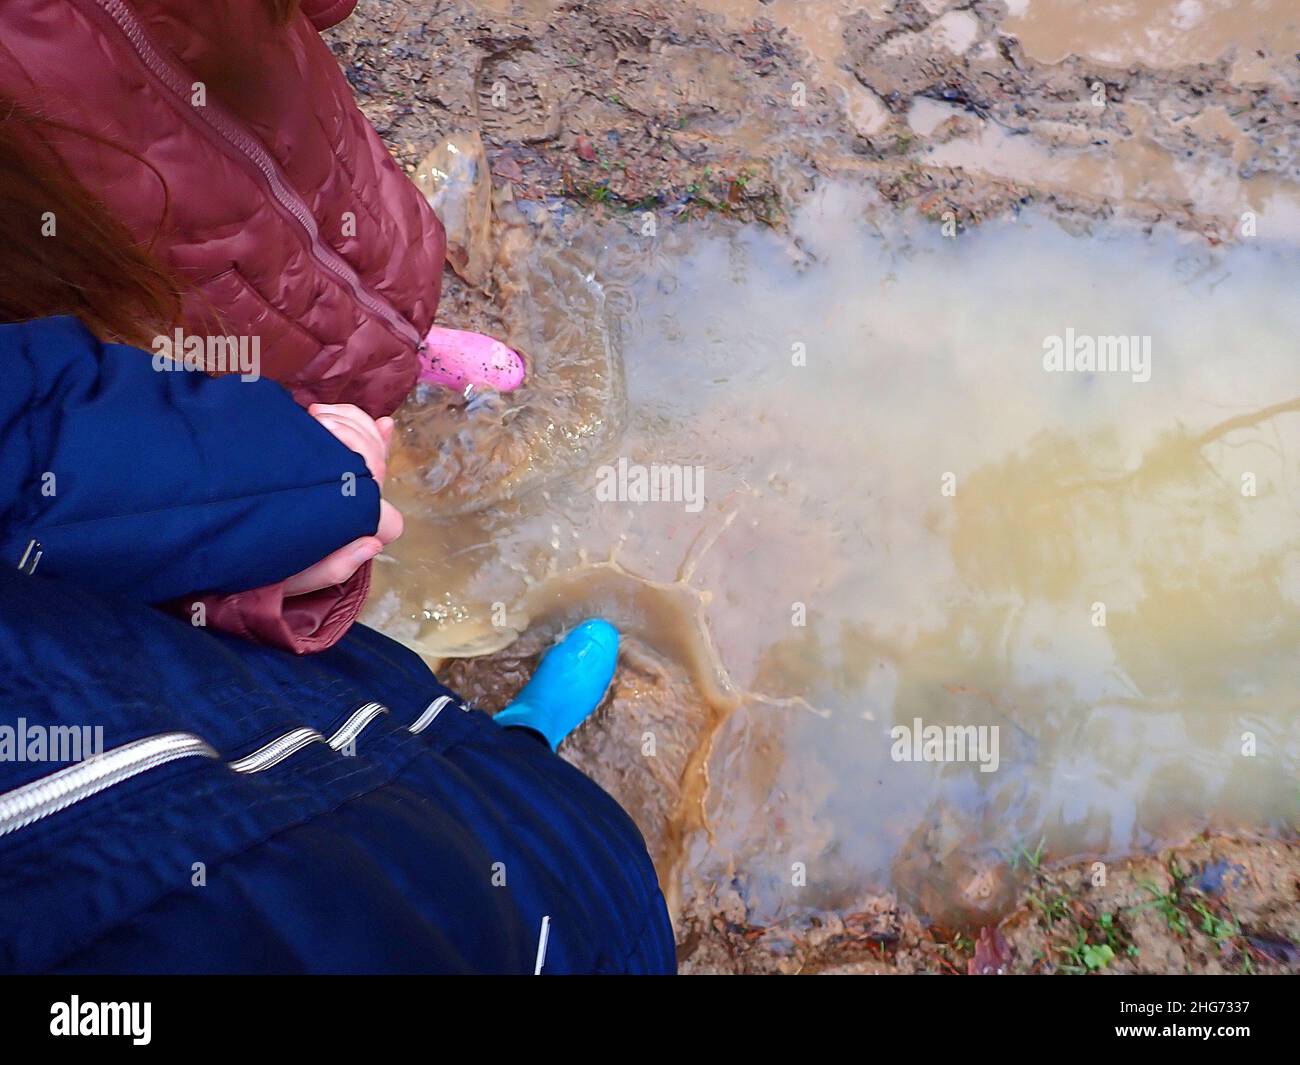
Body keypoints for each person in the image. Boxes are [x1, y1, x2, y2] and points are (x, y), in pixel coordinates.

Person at [0, 0, 524, 653]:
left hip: (317, 156)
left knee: (379, 279)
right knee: (291, 396)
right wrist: (236, 527)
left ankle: (409, 345)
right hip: (177, 301)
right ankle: (333, 419)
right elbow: (34, 443)